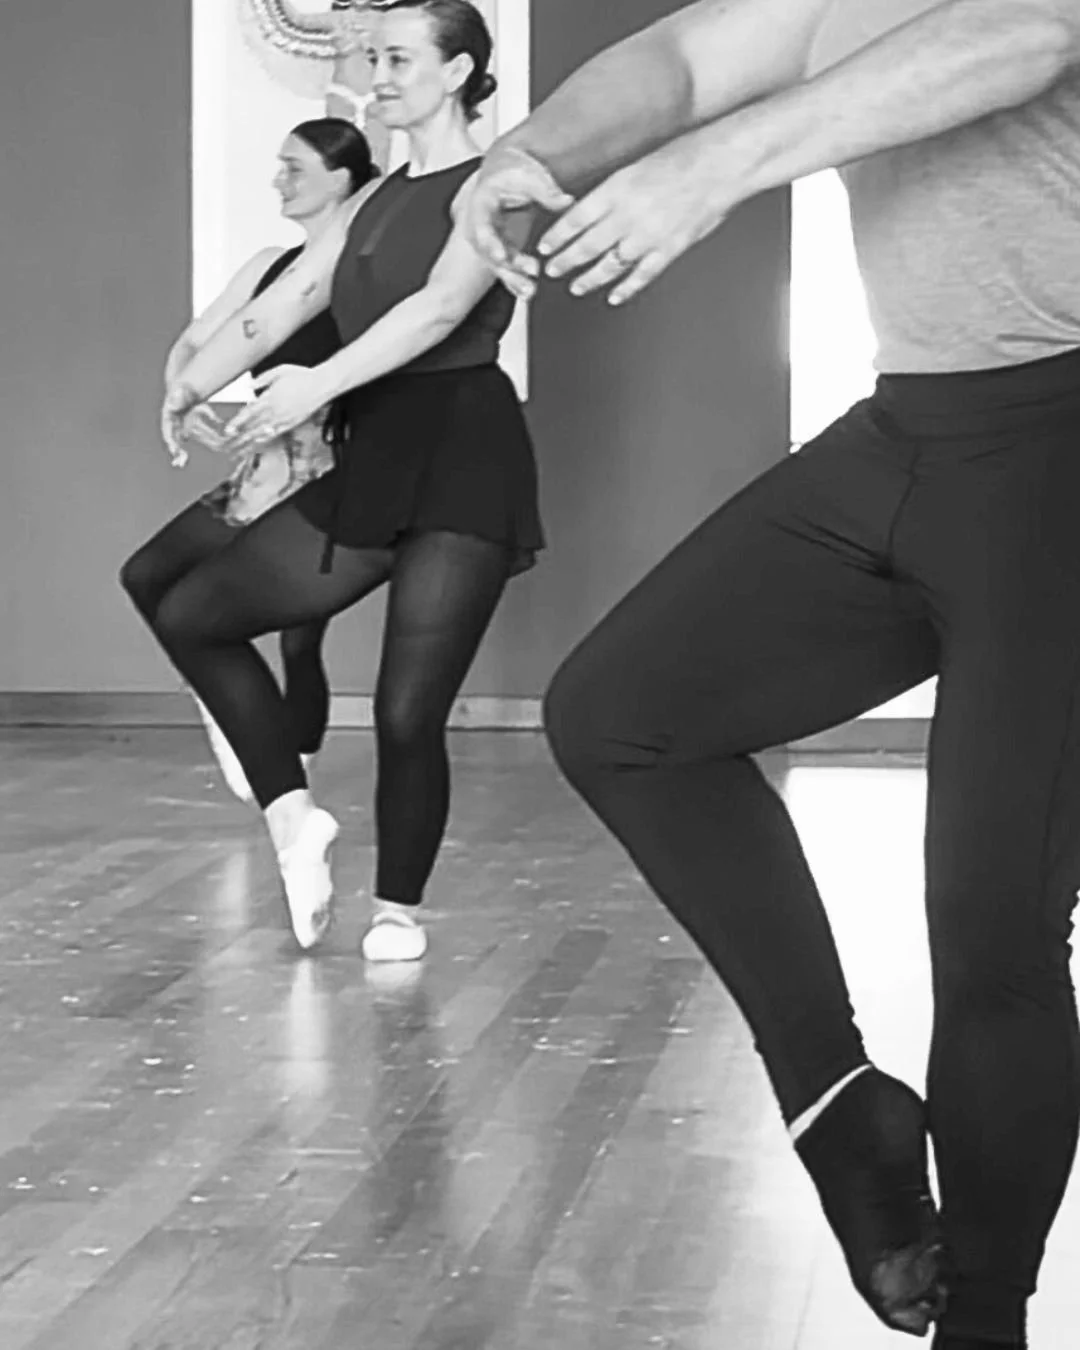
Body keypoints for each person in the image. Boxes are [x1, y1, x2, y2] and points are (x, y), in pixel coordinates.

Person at [462, 2, 1080, 1347]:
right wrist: (531, 152)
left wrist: (718, 164)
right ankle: (836, 1104)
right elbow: (679, 60)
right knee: (623, 715)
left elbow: (1027, 34)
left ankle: (984, 1317)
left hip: (1063, 449)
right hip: (915, 428)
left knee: (994, 929)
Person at [136, 0, 541, 964]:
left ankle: (397, 909)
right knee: (193, 613)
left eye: (399, 59)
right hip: (378, 451)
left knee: (407, 709)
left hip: (465, 453)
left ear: (458, 71)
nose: (379, 76)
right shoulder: (376, 197)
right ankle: (293, 816)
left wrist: (315, 385)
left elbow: (440, 309)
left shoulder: (498, 181)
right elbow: (289, 300)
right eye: (375, 59)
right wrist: (191, 379)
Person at [122, 118, 380, 803]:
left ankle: (292, 775)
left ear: (341, 179)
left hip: (327, 478)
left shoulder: (366, 271)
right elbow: (195, 341)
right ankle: (225, 706)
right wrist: (185, 389)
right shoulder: (269, 265)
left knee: (299, 643)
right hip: (260, 476)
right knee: (147, 575)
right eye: (279, 166)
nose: (279, 180)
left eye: (295, 168)